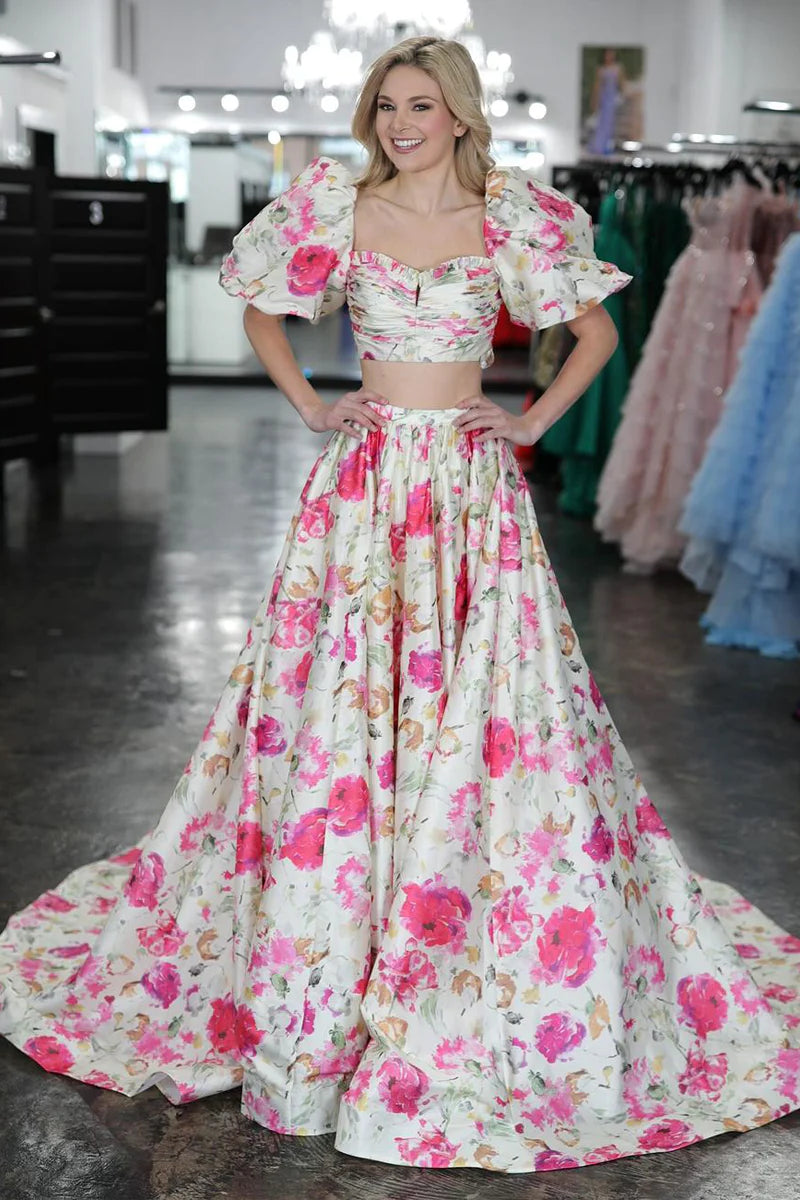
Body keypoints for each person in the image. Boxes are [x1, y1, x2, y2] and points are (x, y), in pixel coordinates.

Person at [0, 34, 798, 1177]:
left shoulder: (510, 215)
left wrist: (527, 422)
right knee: (336, 696)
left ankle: (449, 915)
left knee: (492, 704)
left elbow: (596, 333)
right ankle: (339, 919)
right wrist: (309, 403)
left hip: (468, 492)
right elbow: (262, 310)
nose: (399, 123)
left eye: (419, 105)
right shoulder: (339, 204)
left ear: (458, 114)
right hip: (366, 487)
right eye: (385, 105)